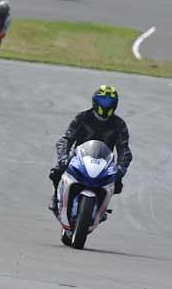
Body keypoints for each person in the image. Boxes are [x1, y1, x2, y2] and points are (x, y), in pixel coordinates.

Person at [48, 85, 132, 213]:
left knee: (117, 185)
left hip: (105, 162)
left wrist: (121, 168)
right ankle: (55, 196)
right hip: (79, 157)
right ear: (95, 101)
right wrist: (63, 157)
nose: (105, 105)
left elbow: (124, 150)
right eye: (103, 101)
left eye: (109, 102)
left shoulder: (119, 124)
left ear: (115, 104)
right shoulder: (82, 117)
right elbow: (66, 139)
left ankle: (101, 208)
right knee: (56, 171)